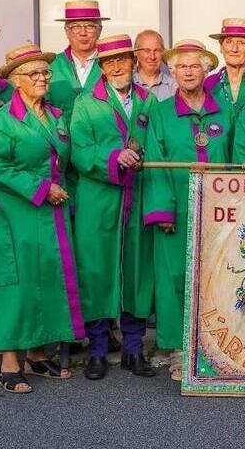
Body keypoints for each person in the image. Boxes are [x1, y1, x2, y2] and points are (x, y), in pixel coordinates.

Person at [0, 43, 86, 393]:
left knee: (47, 278)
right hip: (18, 211)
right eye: (34, 74)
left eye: (45, 72)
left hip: (50, 214)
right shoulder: (2, 120)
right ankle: (10, 362)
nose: (42, 78)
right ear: (15, 81)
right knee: (18, 284)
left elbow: (62, 162)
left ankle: (38, 355)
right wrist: (41, 188)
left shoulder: (55, 116)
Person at [70, 34, 158, 380]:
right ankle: (97, 351)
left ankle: (134, 350)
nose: (117, 66)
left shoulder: (149, 101)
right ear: (101, 68)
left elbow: (158, 144)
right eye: (109, 62)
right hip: (99, 198)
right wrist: (112, 158)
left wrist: (144, 158)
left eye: (122, 59)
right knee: (96, 271)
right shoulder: (85, 103)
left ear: (134, 62)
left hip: (137, 196)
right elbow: (77, 150)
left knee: (137, 271)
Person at [143, 39, 230, 381]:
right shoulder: (162, 113)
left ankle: (215, 345)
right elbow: (155, 159)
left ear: (207, 70)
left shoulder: (225, 110)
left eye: (195, 66)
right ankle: (180, 347)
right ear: (173, 72)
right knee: (175, 277)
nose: (188, 72)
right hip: (177, 207)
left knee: (219, 276)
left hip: (221, 211)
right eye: (181, 67)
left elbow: (237, 160)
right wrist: (163, 209)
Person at [47, 0, 110, 122]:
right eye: (75, 27)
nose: (83, 33)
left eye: (90, 26)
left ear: (100, 30)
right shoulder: (51, 66)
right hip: (60, 139)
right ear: (66, 31)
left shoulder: (111, 66)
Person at [204, 18, 245, 120]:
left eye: (241, 43)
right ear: (221, 47)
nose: (234, 49)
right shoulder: (207, 85)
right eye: (229, 42)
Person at [133, 29, 178, 101]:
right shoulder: (127, 84)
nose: (152, 57)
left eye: (157, 50)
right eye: (147, 50)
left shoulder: (174, 87)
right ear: (136, 53)